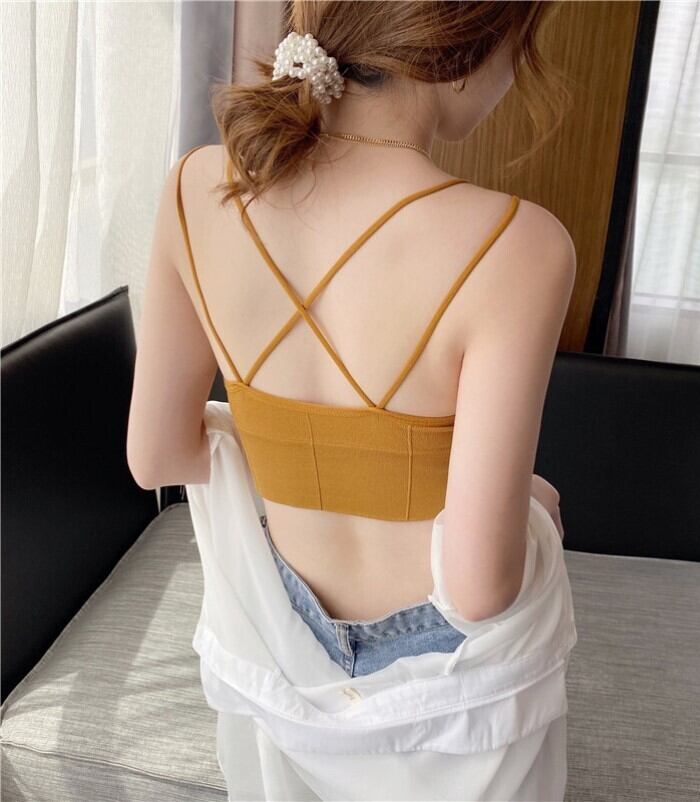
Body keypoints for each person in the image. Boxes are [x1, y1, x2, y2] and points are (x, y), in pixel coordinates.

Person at [127, 2, 577, 799]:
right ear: (466, 54)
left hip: (281, 637)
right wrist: (536, 505)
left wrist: (286, 439)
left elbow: (157, 456)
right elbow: (480, 590)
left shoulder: (196, 187)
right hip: (451, 682)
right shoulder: (521, 243)